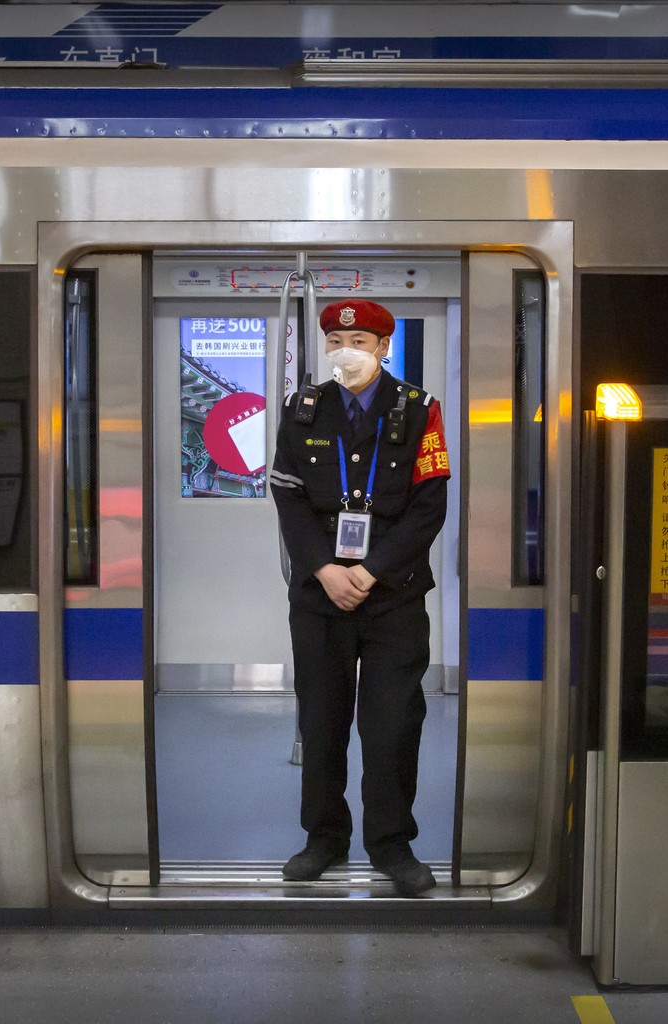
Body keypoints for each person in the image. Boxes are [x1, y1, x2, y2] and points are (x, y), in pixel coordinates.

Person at [268, 298, 451, 896]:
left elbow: (429, 508)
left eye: (359, 341)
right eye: (336, 340)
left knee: (393, 723)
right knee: (321, 721)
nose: (345, 350)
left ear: (383, 348)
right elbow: (289, 498)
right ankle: (323, 837)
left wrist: (368, 571)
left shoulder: (420, 411)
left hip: (392, 595)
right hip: (321, 595)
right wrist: (323, 568)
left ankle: (392, 844)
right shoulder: (302, 411)